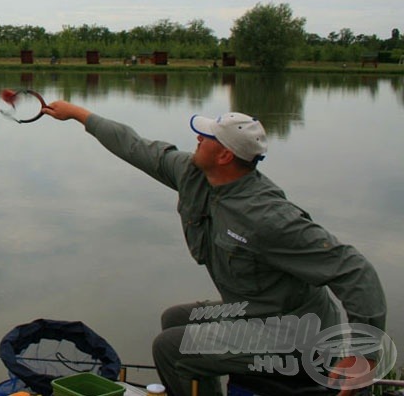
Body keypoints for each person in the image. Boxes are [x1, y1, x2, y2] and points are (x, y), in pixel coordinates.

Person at [40, 100, 387, 396]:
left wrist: (363, 355)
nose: (197, 139)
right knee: (174, 320)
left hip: (294, 333)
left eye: (205, 137)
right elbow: (134, 146)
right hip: (253, 312)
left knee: (170, 348)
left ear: (223, 155)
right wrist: (77, 113)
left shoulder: (269, 217)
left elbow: (355, 271)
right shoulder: (194, 175)